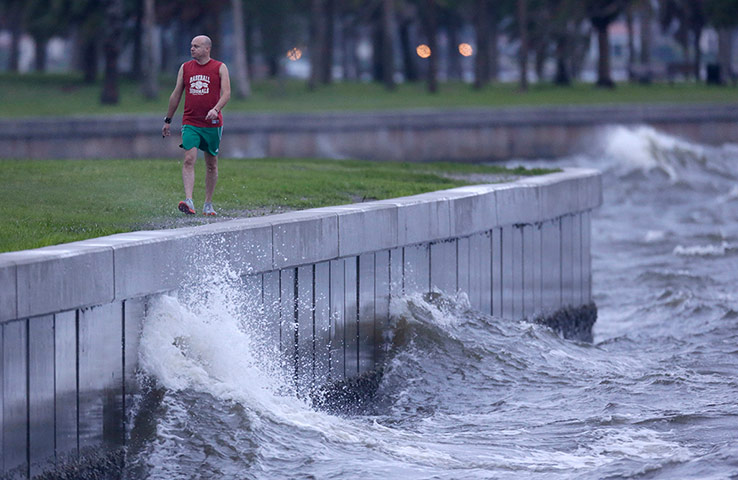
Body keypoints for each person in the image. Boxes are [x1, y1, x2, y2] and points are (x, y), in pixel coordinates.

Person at [162, 35, 231, 216]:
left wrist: (216, 109)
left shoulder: (220, 67)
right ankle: (189, 200)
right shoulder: (185, 68)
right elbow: (176, 95)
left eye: (196, 46)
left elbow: (227, 93)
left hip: (212, 124)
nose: (192, 49)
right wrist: (168, 120)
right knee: (189, 159)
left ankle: (208, 203)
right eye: (191, 46)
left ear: (207, 49)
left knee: (211, 164)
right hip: (190, 122)